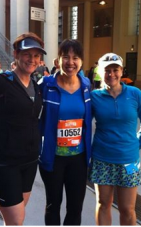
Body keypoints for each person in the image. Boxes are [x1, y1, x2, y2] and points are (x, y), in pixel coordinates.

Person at [88, 53, 141, 225]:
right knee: (103, 204)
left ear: (121, 71)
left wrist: (136, 144)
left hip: (129, 160)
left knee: (127, 208)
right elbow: (84, 124)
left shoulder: (135, 94)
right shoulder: (94, 97)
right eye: (107, 70)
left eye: (115, 70)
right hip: (102, 159)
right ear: (100, 72)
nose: (111, 74)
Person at [0, 32, 45, 225]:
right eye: (27, 54)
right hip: (6, 163)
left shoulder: (36, 87)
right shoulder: (0, 83)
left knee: (14, 220)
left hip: (29, 162)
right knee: (16, 220)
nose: (32, 59)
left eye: (37, 55)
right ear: (16, 54)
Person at [38, 39, 92, 225]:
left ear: (81, 61)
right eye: (65, 57)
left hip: (78, 158)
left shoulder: (86, 86)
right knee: (53, 205)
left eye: (75, 58)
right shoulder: (46, 85)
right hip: (53, 158)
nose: (70, 62)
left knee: (75, 208)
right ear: (57, 60)